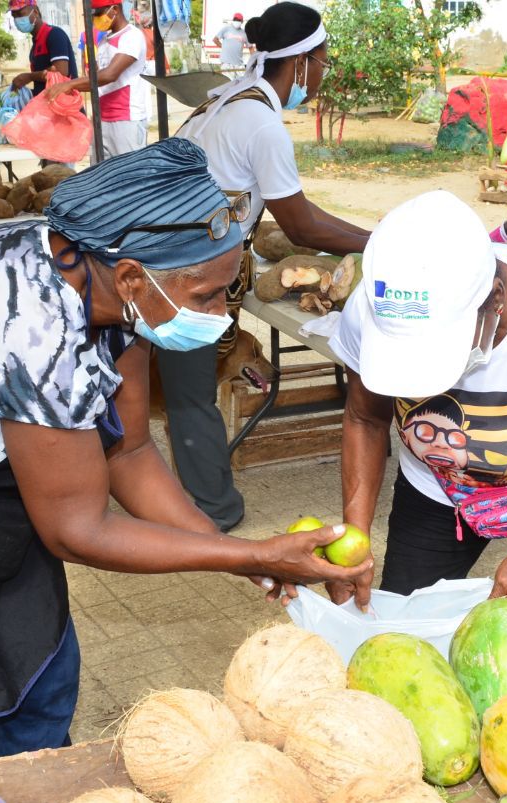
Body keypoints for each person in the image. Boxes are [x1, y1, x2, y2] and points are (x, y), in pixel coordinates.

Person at [0, 139, 372, 788]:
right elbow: (76, 529)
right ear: (130, 277)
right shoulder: (24, 320)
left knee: (36, 697)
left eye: (225, 290)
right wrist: (249, 555)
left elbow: (129, 451)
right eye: (206, 296)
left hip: (0, 493)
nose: (218, 315)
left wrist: (238, 554)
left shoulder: (112, 284)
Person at [325, 191, 507, 606]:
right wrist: (355, 538)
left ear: (494, 297)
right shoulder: (370, 307)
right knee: (404, 624)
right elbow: (365, 419)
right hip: (436, 491)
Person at [164, 1, 371, 531]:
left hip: (168, 260)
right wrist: (379, 239)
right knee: (191, 398)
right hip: (187, 272)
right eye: (323, 61)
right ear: (300, 61)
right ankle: (213, 513)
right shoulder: (262, 124)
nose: (323, 73)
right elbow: (302, 225)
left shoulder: (227, 99)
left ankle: (191, 501)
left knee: (180, 391)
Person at [46, 1, 148, 158]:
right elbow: (96, 79)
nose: (95, 19)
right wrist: (72, 89)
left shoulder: (132, 36)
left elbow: (109, 75)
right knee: (101, 176)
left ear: (115, 9)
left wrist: (70, 84)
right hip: (102, 118)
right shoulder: (104, 40)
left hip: (126, 120)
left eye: (98, 14)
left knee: (129, 177)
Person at [9, 0, 75, 95]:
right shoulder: (35, 43)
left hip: (65, 105)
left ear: (35, 12)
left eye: (20, 14)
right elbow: (42, 84)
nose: (17, 20)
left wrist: (29, 77)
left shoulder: (55, 35)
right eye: (14, 16)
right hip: (48, 104)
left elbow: (61, 72)